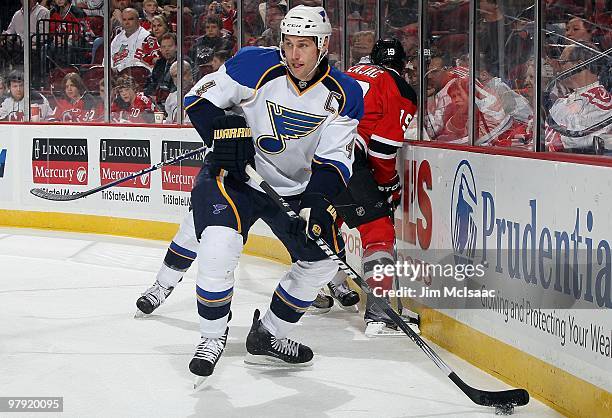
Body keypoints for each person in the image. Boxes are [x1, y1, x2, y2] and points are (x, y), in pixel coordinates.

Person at [135, 5, 363, 381]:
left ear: (323, 45)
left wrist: (319, 203)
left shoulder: (345, 92)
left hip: (294, 189)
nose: (293, 54)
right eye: (288, 44)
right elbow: (199, 99)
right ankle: (211, 336)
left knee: (322, 263)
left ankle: (270, 335)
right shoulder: (254, 64)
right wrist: (223, 134)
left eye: (303, 45)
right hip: (235, 178)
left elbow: (335, 157)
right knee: (216, 245)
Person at [312, 38, 418, 337]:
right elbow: (383, 150)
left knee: (325, 221)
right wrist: (389, 184)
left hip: (308, 153)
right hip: (343, 155)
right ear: (403, 66)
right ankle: (380, 315)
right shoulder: (400, 89)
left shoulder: (351, 70)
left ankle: (315, 289)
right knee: (378, 232)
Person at [545, 43, 612, 152]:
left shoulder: (601, 101)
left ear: (580, 66)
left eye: (562, 63)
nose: (557, 68)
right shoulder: (565, 99)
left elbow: (576, 137)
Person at [110, 8, 160, 73]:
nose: (127, 22)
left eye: (130, 19)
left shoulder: (147, 37)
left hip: (137, 75)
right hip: (116, 75)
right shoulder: (117, 38)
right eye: (124, 20)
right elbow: (108, 59)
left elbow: (154, 63)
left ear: (138, 21)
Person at [164, 59, 192, 123]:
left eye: (183, 74)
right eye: (175, 76)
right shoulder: (171, 98)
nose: (180, 78)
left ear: (190, 74)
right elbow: (169, 122)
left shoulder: (201, 94)